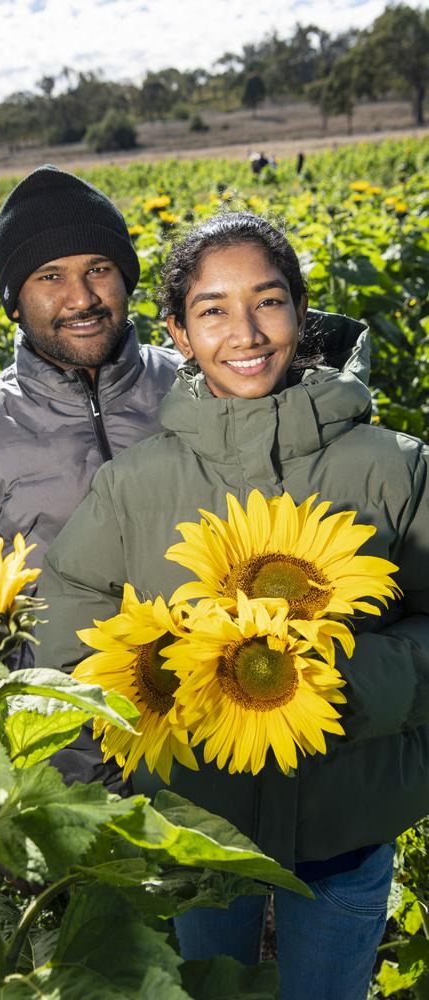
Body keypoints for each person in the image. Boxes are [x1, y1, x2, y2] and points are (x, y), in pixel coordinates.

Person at [36, 212, 429, 1000]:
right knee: (211, 981)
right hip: (199, 822)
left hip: (348, 825)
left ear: (301, 311)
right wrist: (157, 692)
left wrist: (354, 682)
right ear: (178, 332)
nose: (245, 332)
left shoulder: (393, 466)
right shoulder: (136, 485)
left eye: (268, 301)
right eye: (213, 309)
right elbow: (66, 618)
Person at [0, 164, 180, 787]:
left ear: (126, 279)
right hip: (67, 772)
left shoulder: (197, 390)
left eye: (98, 269)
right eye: (50, 276)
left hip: (221, 737)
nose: (81, 298)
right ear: (13, 299)